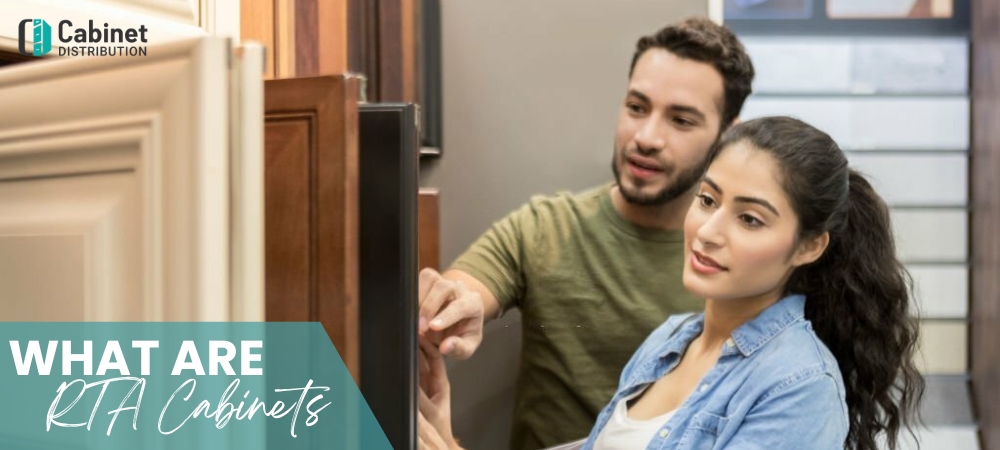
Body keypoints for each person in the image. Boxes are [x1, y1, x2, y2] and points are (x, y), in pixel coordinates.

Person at [418, 116, 925, 450]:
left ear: (809, 246)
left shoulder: (800, 388)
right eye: (707, 200)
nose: (707, 231)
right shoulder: (669, 341)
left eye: (749, 219)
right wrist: (443, 432)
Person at [417, 17, 755, 449]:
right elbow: (465, 291)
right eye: (637, 107)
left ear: (727, 134)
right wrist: (447, 307)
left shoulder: (741, 265)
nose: (647, 137)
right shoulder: (545, 228)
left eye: (681, 120)